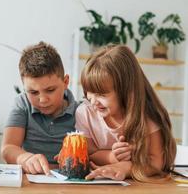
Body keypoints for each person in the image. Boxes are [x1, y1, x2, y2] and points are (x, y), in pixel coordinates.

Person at [75, 45, 176, 181]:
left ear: (126, 91)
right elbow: (88, 153)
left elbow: (156, 163)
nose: (93, 101)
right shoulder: (85, 113)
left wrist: (125, 167)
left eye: (101, 94)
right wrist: (112, 157)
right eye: (89, 91)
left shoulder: (147, 117)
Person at [1, 41, 78, 175]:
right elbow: (8, 148)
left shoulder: (82, 111)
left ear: (65, 82)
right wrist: (26, 158)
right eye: (33, 92)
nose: (42, 100)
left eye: (50, 90)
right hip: (32, 179)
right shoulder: (22, 103)